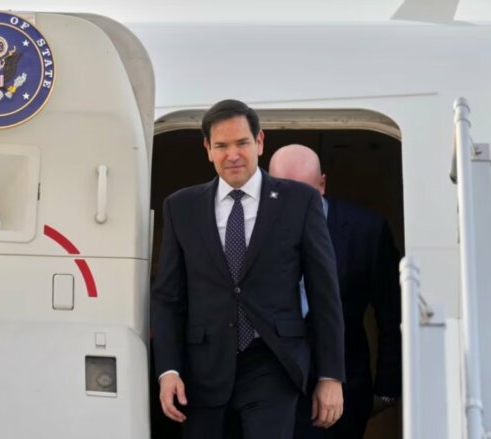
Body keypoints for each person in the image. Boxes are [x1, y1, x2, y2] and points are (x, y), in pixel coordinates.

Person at [151, 100, 345, 439]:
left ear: (259, 142)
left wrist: (331, 377)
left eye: (242, 143)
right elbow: (168, 298)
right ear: (207, 148)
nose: (233, 155)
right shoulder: (181, 207)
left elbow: (324, 292)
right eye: (222, 146)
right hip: (203, 370)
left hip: (273, 363)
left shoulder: (300, 201)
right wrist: (168, 370)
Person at [269, 144, 402, 439]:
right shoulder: (252, 228)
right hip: (270, 392)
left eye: (303, 193)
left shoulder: (367, 231)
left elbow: (391, 315)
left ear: (322, 185)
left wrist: (387, 388)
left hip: (343, 392)